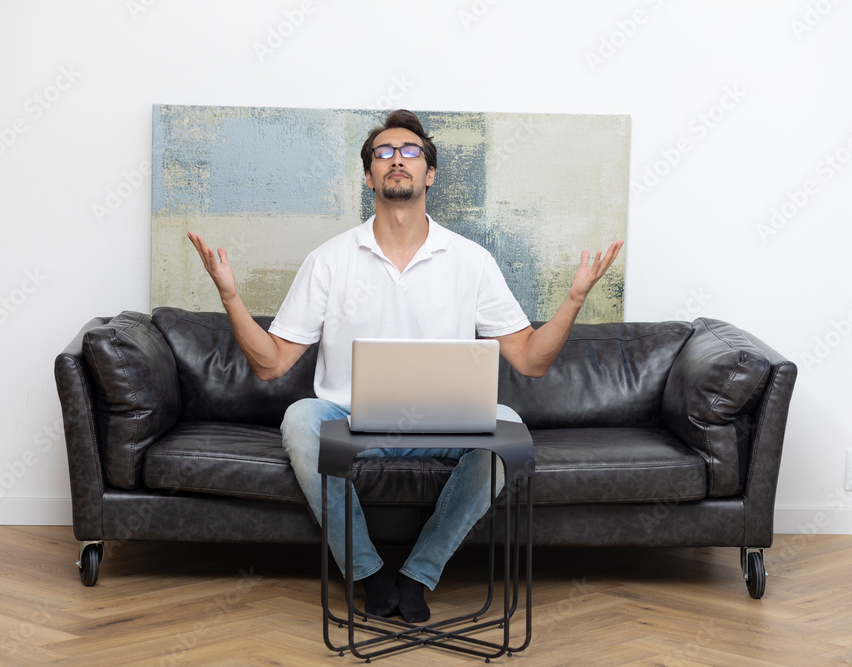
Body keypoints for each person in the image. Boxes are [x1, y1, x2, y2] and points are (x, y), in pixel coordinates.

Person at [188, 109, 623, 623]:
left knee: (510, 429)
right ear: (369, 175)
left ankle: (418, 574)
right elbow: (270, 364)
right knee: (300, 417)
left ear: (429, 174)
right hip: (348, 420)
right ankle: (368, 574)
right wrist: (231, 296)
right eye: (384, 153)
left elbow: (530, 360)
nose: (398, 159)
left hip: (443, 422)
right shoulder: (329, 260)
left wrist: (573, 300)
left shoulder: (471, 261)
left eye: (411, 151)